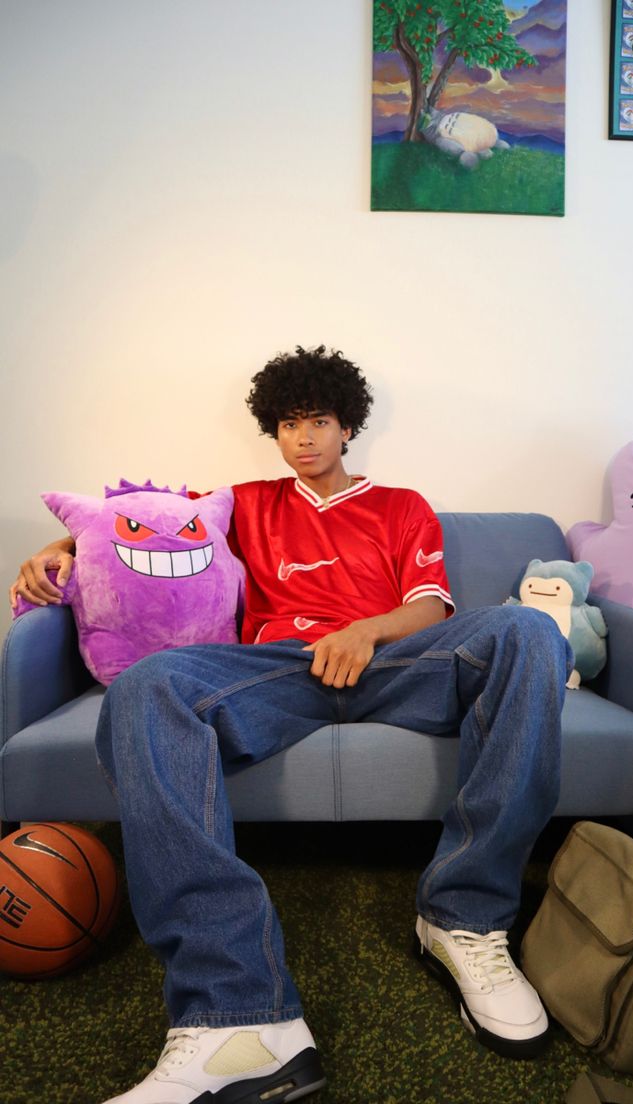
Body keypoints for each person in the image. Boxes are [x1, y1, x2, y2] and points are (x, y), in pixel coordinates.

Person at [10, 346, 570, 1104]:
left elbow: (433, 610)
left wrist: (367, 632)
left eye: (317, 421)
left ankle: (465, 919)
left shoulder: (402, 504)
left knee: (531, 633)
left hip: (394, 666)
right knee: (148, 688)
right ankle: (237, 1015)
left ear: (347, 428)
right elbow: (148, 529)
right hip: (281, 673)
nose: (302, 438)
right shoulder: (241, 501)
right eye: (287, 425)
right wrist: (62, 549)